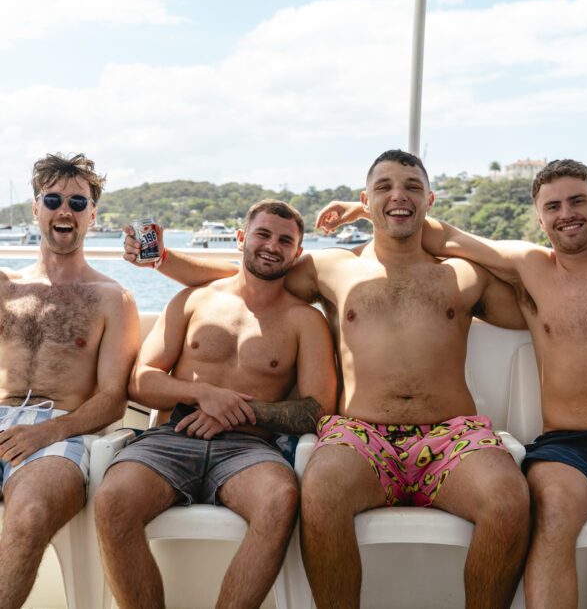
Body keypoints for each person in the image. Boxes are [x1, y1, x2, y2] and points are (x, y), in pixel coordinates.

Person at [123, 151, 531, 609]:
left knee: (508, 501)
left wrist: (452, 239)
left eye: (412, 188)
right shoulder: (333, 268)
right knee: (320, 494)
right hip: (362, 433)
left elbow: (534, 302)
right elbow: (252, 272)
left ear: (429, 200)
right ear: (366, 198)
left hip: (450, 433)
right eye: (384, 188)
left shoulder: (464, 274)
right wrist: (163, 260)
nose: (399, 196)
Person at [318, 158, 587, 608]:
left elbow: (430, 231)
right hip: (572, 447)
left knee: (511, 502)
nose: (566, 213)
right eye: (553, 206)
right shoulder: (531, 266)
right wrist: (365, 209)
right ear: (539, 218)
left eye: (577, 201)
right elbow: (443, 235)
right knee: (551, 510)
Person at [96, 199, 337, 609]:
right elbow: (141, 380)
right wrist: (202, 394)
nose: (272, 246)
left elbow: (318, 409)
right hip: (173, 437)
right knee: (112, 500)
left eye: (285, 240)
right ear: (242, 238)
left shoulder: (304, 320)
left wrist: (236, 410)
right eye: (262, 234)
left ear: (297, 254)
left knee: (279, 501)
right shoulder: (194, 300)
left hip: (249, 448)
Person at [0, 153, 140, 609]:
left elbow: (113, 400)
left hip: (61, 429)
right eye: (54, 199)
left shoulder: (112, 299)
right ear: (35, 210)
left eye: (78, 203)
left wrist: (46, 432)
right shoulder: (6, 287)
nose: (66, 211)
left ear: (92, 216)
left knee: (31, 514)